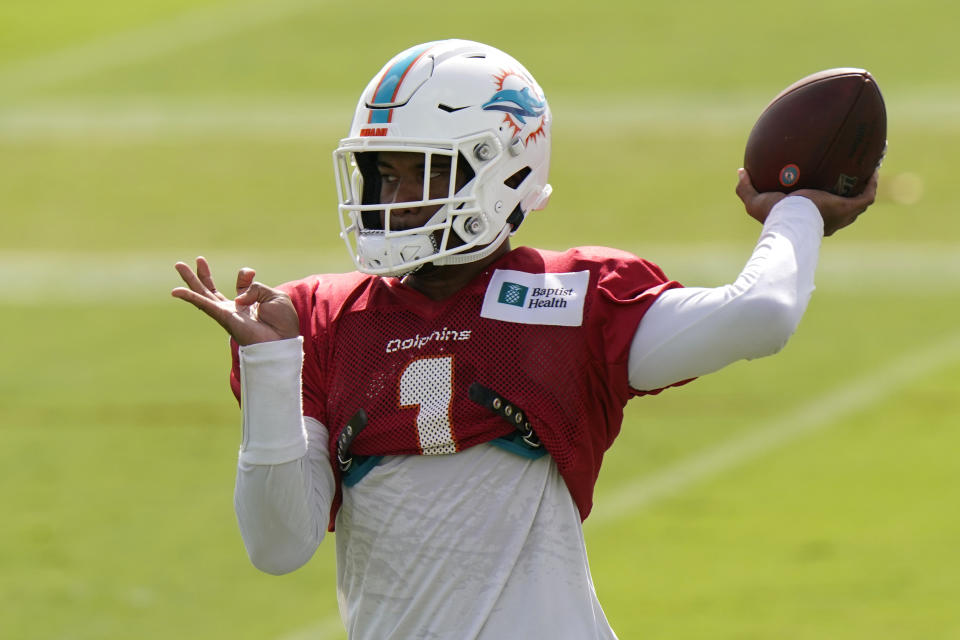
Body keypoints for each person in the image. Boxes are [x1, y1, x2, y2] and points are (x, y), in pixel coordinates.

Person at [172, 39, 877, 639]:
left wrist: (796, 214)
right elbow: (277, 545)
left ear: (502, 170)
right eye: (384, 173)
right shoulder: (318, 318)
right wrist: (270, 366)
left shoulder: (574, 298)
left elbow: (761, 316)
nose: (392, 199)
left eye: (423, 170)